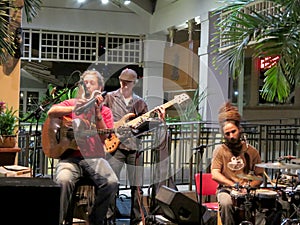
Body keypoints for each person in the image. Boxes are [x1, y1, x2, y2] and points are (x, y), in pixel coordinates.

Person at [47, 69, 119, 225]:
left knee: (112, 182)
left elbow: (104, 137)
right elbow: (52, 112)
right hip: (70, 158)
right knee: (63, 180)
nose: (87, 85)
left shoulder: (105, 111)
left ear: (99, 89)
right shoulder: (71, 103)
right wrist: (77, 108)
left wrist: (98, 114)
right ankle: (60, 221)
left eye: (91, 83)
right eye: (85, 82)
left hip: (95, 159)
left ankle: (94, 220)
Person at [104, 68, 165, 225]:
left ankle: (137, 220)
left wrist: (158, 120)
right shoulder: (110, 98)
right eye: (122, 82)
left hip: (134, 148)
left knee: (136, 187)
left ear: (134, 83)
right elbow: (101, 118)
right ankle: (109, 219)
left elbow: (147, 126)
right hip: (114, 146)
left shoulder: (139, 102)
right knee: (111, 184)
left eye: (128, 82)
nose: (124, 85)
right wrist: (111, 129)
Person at [211, 101, 282, 225]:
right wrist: (233, 185)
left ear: (239, 129)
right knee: (226, 203)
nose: (231, 136)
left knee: (274, 204)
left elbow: (259, 175)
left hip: (248, 190)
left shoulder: (251, 151)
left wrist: (249, 187)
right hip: (226, 190)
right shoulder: (220, 151)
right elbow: (215, 173)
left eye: (233, 131)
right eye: (227, 134)